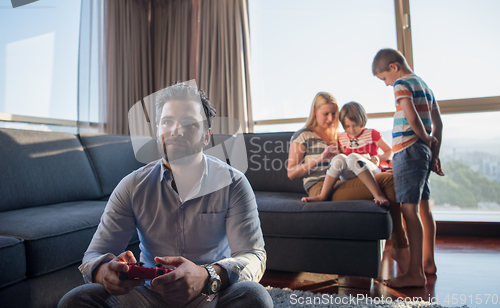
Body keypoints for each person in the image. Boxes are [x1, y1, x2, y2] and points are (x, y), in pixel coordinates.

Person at [58, 83, 273, 308]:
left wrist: (207, 276)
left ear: (207, 135)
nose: (175, 130)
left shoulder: (234, 183)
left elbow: (253, 255)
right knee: (77, 300)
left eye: (189, 123)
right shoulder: (132, 185)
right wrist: (105, 272)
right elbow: (96, 254)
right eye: (167, 122)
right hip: (147, 296)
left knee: (254, 297)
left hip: (212, 295)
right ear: (158, 130)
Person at [287, 92, 410, 273]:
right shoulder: (302, 135)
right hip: (321, 186)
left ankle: (398, 247)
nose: (330, 118)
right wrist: (320, 158)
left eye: (334, 114)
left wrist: (375, 160)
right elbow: (291, 172)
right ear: (314, 111)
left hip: (343, 181)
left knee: (389, 178)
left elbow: (355, 159)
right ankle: (400, 246)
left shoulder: (339, 136)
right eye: (325, 113)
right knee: (389, 182)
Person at [372, 48, 444, 288]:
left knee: (408, 211)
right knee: (425, 208)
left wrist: (423, 137)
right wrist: (433, 152)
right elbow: (439, 124)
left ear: (393, 67)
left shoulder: (401, 83)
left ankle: (415, 273)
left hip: (408, 150)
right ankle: (428, 263)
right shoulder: (425, 85)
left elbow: (412, 118)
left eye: (384, 78)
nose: (386, 84)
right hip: (423, 154)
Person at [302, 101, 393, 207]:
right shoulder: (342, 138)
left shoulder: (371, 134)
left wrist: (378, 158)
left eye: (354, 125)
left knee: (352, 157)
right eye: (347, 126)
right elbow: (342, 159)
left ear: (362, 121)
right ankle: (322, 195)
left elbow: (389, 151)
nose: (352, 130)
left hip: (370, 169)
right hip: (351, 172)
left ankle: (378, 195)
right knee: (339, 158)